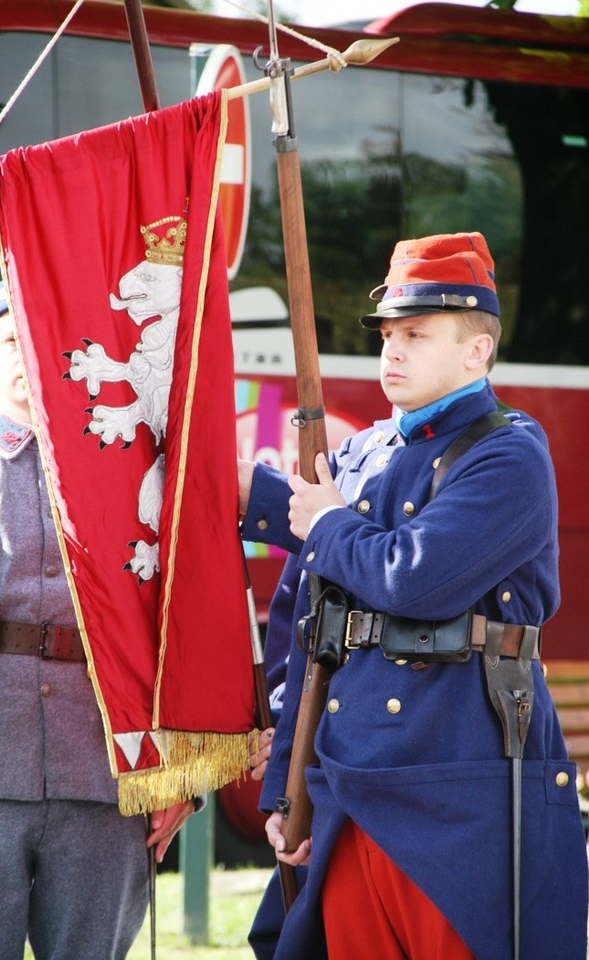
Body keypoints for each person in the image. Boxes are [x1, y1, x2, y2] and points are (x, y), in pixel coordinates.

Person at [240, 233, 588, 960]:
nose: (391, 350)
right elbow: (304, 628)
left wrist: (326, 521)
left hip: (460, 790)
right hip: (347, 784)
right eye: (389, 334)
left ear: (476, 353)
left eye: (417, 334)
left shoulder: (510, 451)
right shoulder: (362, 453)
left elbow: (415, 578)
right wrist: (285, 791)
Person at [0, 280, 194, 960]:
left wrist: (179, 776)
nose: (26, 357)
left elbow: (186, 625)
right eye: (8, 341)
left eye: (40, 341)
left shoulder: (133, 473)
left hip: (105, 772)